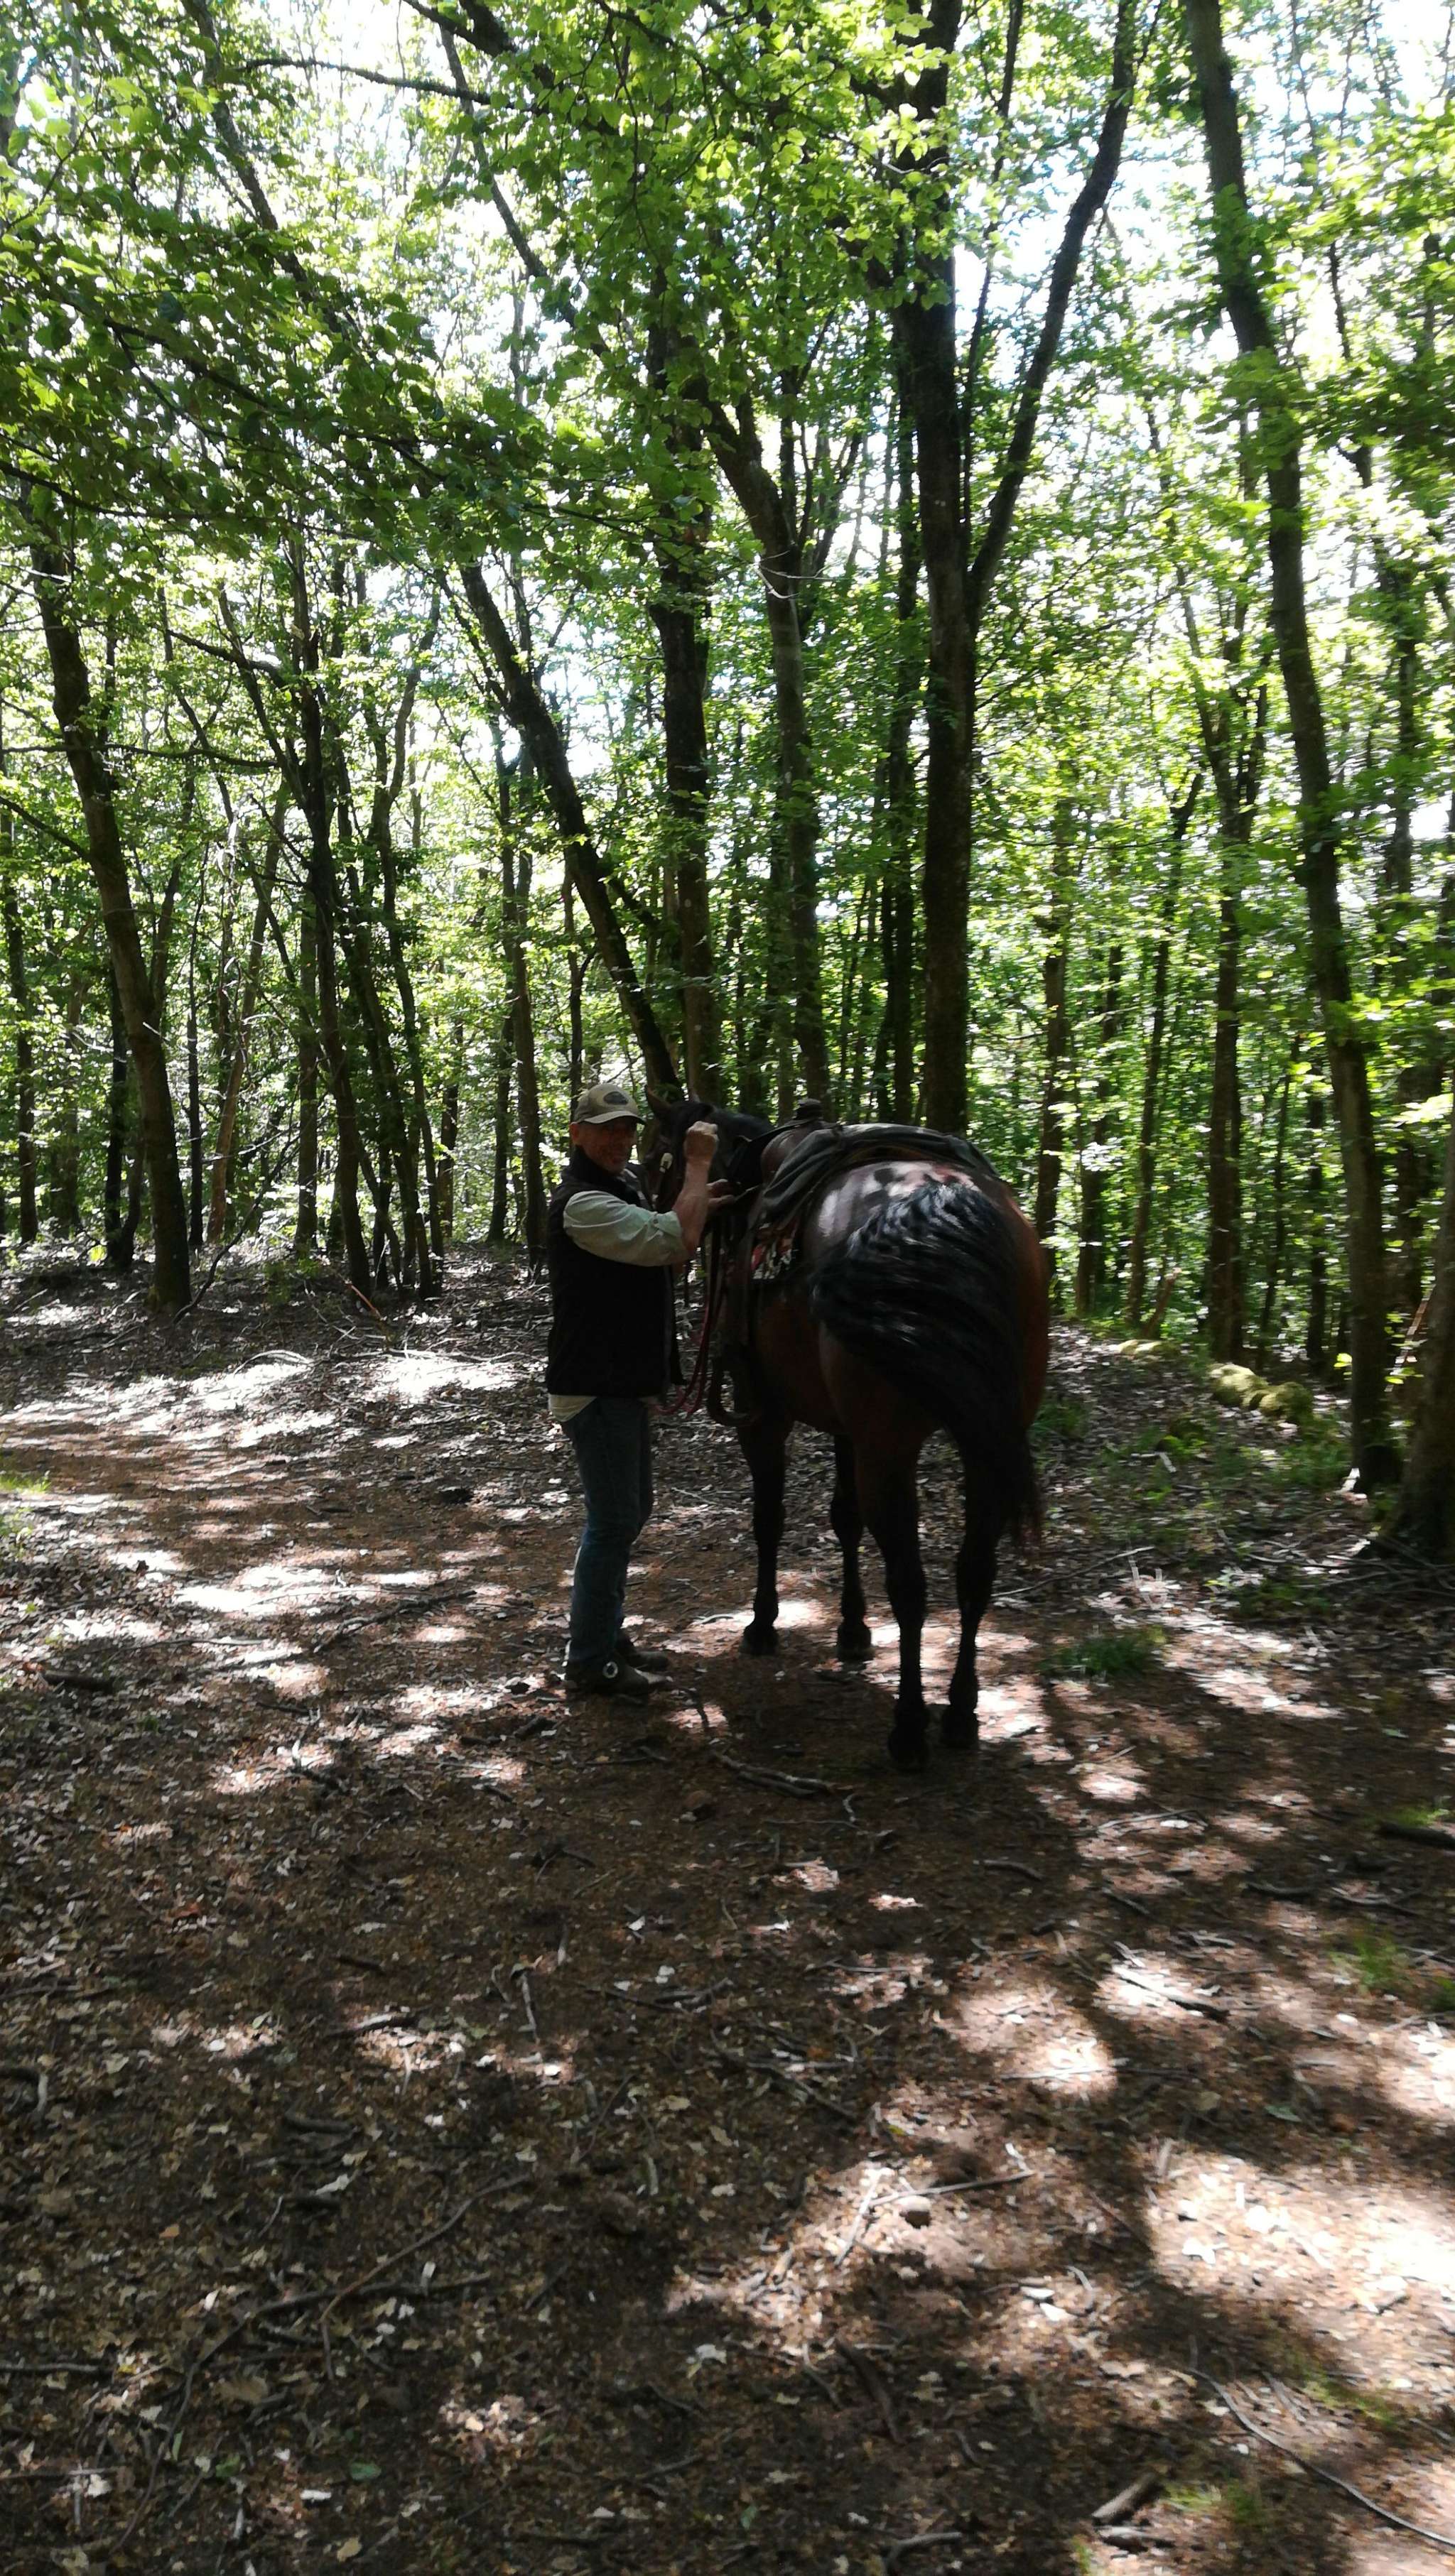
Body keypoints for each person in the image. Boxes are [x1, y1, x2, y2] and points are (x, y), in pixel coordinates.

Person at [546, 1081, 723, 1700]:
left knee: (630, 1510)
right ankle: (590, 1660)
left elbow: (668, 1246)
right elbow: (675, 1242)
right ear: (577, 1134)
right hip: (596, 1385)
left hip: (616, 1381)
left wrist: (701, 1201)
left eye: (626, 1128)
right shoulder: (582, 1203)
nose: (619, 1139)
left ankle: (603, 1634)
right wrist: (698, 1167)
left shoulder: (619, 1188)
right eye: (605, 1129)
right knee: (614, 1518)